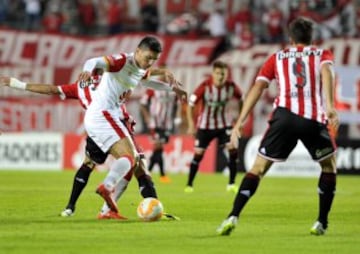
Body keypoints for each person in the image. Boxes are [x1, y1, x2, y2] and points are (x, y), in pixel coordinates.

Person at [216, 17, 339, 236]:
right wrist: (330, 106)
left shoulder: (277, 57)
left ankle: (232, 216)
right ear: (311, 38)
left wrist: (239, 122)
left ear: (290, 38)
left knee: (257, 169)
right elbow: (327, 72)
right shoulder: (322, 54)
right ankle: (321, 222)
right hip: (312, 119)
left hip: (284, 117)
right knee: (329, 167)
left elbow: (258, 87)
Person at [0, 74, 158, 220]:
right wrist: (162, 73)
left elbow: (51, 89)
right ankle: (129, 205)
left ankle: (71, 207)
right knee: (137, 164)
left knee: (88, 163)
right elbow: (138, 73)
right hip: (115, 124)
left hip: (95, 129)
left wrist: (17, 84)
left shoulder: (80, 86)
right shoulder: (112, 78)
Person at [78, 36, 187, 214]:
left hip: (108, 116)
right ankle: (107, 185)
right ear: (137, 51)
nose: (150, 62)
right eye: (148, 57)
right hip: (102, 115)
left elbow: (145, 82)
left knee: (133, 160)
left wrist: (173, 89)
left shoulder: (140, 67)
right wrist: (88, 70)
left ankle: (107, 211)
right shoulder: (122, 61)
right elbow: (93, 61)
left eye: (154, 59)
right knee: (129, 157)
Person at [185, 60, 243, 193]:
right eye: (218, 73)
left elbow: (242, 99)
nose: (220, 77)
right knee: (198, 155)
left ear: (227, 74)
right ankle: (189, 184)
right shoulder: (205, 86)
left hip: (224, 125)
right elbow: (191, 104)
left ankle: (232, 184)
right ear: (213, 73)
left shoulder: (231, 86)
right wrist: (191, 124)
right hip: (205, 126)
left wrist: (240, 122)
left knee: (233, 150)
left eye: (223, 74)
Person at [140, 86, 181, 183]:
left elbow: (178, 103)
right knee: (158, 146)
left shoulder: (172, 90)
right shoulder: (152, 88)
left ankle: (146, 173)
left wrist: (178, 116)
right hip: (155, 123)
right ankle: (161, 175)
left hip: (167, 124)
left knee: (158, 150)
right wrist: (147, 117)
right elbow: (142, 104)